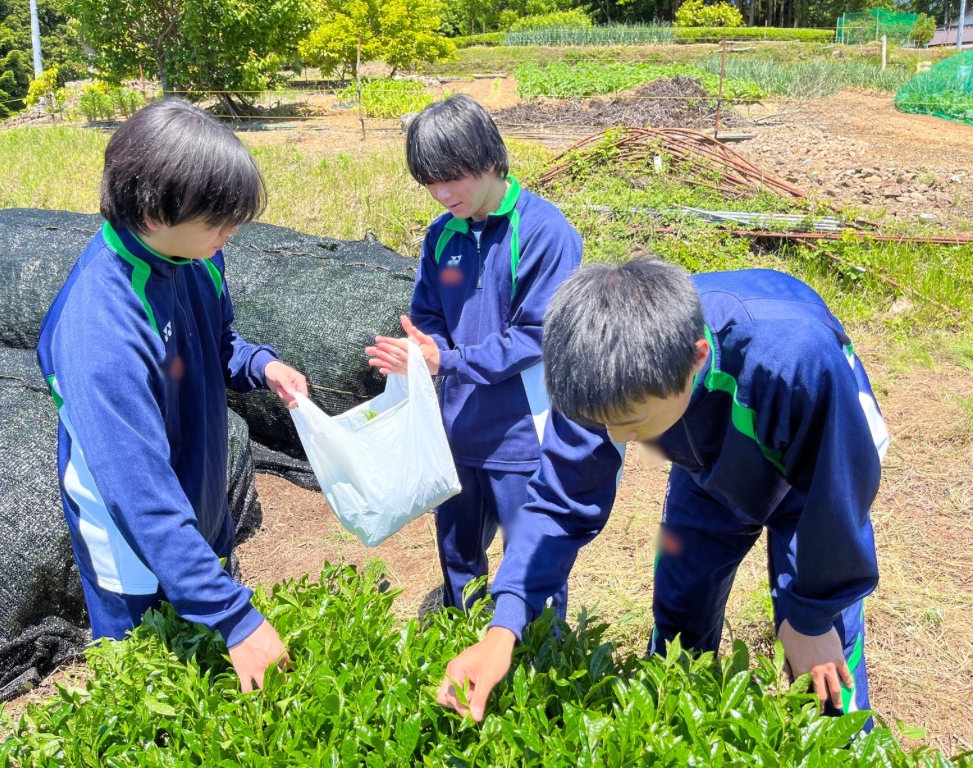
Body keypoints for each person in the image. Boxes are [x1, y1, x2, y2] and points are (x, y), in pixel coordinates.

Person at [437, 257, 889, 725]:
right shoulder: (593, 370)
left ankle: (847, 738)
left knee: (823, 666)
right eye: (600, 424)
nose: (610, 438)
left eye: (631, 423)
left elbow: (840, 490)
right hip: (704, 469)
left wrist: (812, 617)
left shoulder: (791, 358)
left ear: (695, 358)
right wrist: (503, 628)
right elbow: (556, 505)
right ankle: (680, 724)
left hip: (808, 478)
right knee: (680, 611)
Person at [37, 98, 308, 693]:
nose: (230, 233)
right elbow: (139, 494)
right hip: (135, 545)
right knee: (153, 693)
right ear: (156, 212)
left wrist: (262, 367)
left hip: (199, 501)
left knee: (218, 681)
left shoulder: (197, 257)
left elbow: (217, 343)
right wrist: (236, 616)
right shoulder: (102, 325)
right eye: (218, 220)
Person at [366, 94, 616, 621]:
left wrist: (447, 362)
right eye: (429, 182)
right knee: (458, 553)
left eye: (450, 177)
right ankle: (463, 641)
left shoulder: (545, 231)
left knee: (530, 559)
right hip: (457, 428)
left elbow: (537, 335)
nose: (440, 193)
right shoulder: (442, 236)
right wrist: (419, 348)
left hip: (523, 431)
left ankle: (541, 661)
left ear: (487, 159)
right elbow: (427, 313)